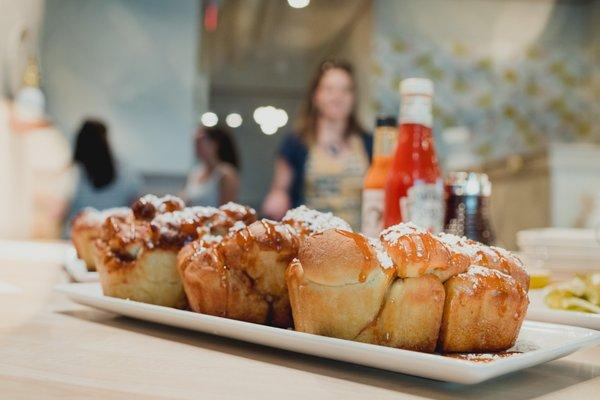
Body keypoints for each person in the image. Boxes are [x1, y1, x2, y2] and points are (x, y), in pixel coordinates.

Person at [262, 59, 372, 229]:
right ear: (316, 95)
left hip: (359, 242)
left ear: (353, 97)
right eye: (329, 89)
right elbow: (280, 189)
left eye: (345, 90)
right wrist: (277, 197)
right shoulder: (296, 143)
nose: (337, 97)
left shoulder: (369, 143)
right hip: (311, 241)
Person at [63, 119, 141, 235]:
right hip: (113, 237)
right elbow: (135, 206)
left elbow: (60, 212)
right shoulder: (125, 171)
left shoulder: (73, 173)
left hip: (77, 237)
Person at [181, 125, 240, 207]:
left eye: (200, 141)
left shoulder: (226, 173)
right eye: (195, 141)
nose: (196, 145)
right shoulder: (195, 172)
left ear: (215, 144)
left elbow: (226, 212)